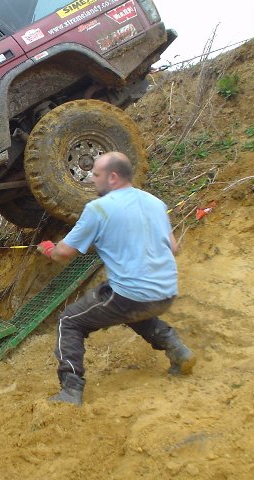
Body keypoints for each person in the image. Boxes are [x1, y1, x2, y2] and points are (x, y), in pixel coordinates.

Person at [37, 151, 196, 406]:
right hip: (166, 291)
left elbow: (64, 253)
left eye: (96, 174)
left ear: (112, 177)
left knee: (69, 321)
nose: (92, 179)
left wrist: (48, 249)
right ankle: (177, 350)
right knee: (129, 310)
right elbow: (174, 248)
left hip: (131, 295)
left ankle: (70, 389)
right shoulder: (155, 203)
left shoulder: (98, 209)